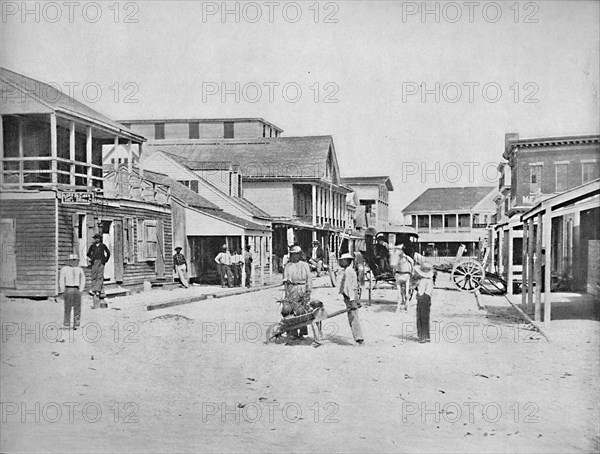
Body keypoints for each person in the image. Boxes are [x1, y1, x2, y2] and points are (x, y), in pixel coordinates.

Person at [282, 245, 313, 339]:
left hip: (302, 288)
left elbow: (309, 279)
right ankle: (293, 332)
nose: (295, 256)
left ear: (300, 255)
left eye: (297, 254)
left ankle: (302, 332)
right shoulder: (288, 266)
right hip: (292, 289)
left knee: (302, 311)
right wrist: (286, 294)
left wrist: (308, 291)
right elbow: (285, 281)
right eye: (293, 254)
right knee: (290, 311)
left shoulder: (305, 265)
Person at [338, 252, 364, 346]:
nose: (341, 262)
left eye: (343, 261)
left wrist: (352, 300)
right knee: (352, 317)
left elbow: (350, 287)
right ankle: (358, 338)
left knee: (353, 318)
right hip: (350, 296)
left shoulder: (348, 271)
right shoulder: (348, 270)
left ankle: (359, 339)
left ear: (347, 261)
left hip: (350, 297)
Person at [59, 253, 86, 329]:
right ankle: (67, 323)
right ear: (68, 261)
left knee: (77, 307)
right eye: (71, 260)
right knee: (67, 306)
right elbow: (61, 280)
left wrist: (81, 289)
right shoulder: (64, 269)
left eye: (75, 260)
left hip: (76, 289)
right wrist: (62, 290)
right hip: (68, 288)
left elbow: (83, 279)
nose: (73, 262)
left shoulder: (80, 269)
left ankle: (76, 323)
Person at [414, 262, 434, 343]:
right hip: (427, 299)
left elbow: (421, 291)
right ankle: (427, 336)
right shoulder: (430, 281)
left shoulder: (422, 281)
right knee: (426, 317)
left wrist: (418, 296)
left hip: (422, 299)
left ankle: (421, 336)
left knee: (420, 318)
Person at [392, 244, 414, 312]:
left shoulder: (404, 247)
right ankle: (394, 272)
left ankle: (412, 271)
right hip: (399, 260)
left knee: (412, 261)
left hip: (405, 255)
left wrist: (404, 254)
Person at [87, 233, 110, 297]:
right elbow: (88, 254)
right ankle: (93, 289)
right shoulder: (92, 246)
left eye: (98, 238)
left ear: (100, 239)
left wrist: (105, 260)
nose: (97, 240)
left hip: (101, 262)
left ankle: (98, 290)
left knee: (100, 276)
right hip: (94, 262)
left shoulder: (103, 245)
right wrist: (92, 258)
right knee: (94, 275)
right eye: (95, 238)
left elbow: (108, 253)